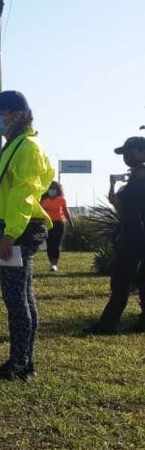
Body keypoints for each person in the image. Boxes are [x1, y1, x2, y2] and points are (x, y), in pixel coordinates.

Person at [0, 91, 54, 380]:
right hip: (11, 228)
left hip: (19, 230)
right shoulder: (16, 144)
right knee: (22, 296)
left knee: (16, 299)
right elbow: (2, 194)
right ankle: (23, 361)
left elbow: (24, 193)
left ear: (17, 114)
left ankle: (19, 365)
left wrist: (8, 234)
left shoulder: (28, 147)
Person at [85, 137, 145, 334]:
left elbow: (124, 206)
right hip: (133, 234)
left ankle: (108, 324)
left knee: (120, 281)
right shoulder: (137, 176)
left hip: (135, 236)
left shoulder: (140, 177)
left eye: (130, 152)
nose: (126, 158)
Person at [39, 182, 73, 272]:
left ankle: (55, 264)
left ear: (58, 190)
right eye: (50, 188)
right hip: (48, 224)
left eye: (54, 188)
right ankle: (51, 262)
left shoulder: (61, 200)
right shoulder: (43, 200)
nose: (52, 190)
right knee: (49, 244)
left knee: (56, 244)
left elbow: (65, 211)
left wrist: (71, 222)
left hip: (59, 223)